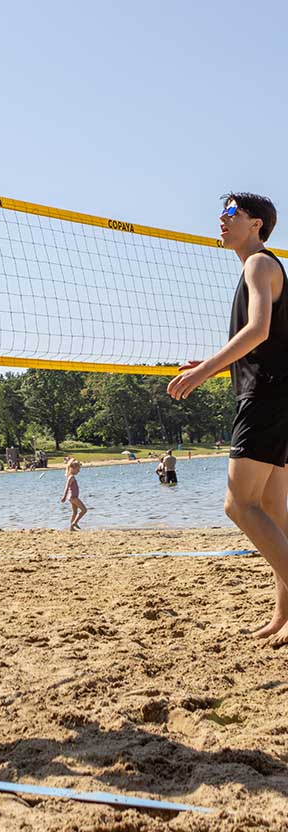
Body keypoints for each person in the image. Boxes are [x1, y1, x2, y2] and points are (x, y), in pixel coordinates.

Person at [167, 193, 288, 643]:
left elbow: (258, 331)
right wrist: (211, 362)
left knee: (238, 505)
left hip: (266, 399)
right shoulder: (259, 268)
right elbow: (262, 341)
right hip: (277, 396)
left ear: (256, 224)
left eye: (232, 213)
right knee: (275, 513)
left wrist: (203, 372)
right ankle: (282, 616)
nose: (222, 218)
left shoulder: (259, 265)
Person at [61, 460, 87, 530]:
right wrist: (64, 497)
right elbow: (66, 487)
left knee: (75, 512)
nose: (79, 471)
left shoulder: (71, 477)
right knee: (84, 510)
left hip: (72, 497)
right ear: (73, 468)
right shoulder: (71, 477)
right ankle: (74, 523)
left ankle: (71, 528)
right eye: (78, 470)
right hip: (73, 497)